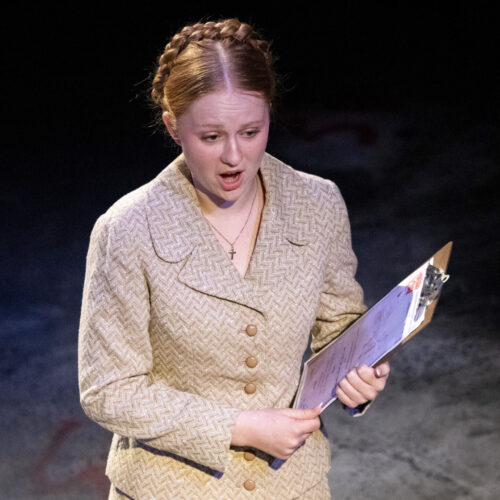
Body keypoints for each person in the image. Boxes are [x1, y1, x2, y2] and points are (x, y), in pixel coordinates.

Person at [78, 18, 390, 500]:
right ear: (173, 127)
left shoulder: (317, 204)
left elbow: (340, 326)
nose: (234, 156)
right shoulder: (128, 229)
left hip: (291, 486)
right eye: (211, 137)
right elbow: (108, 389)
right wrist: (238, 426)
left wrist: (360, 373)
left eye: (251, 131)